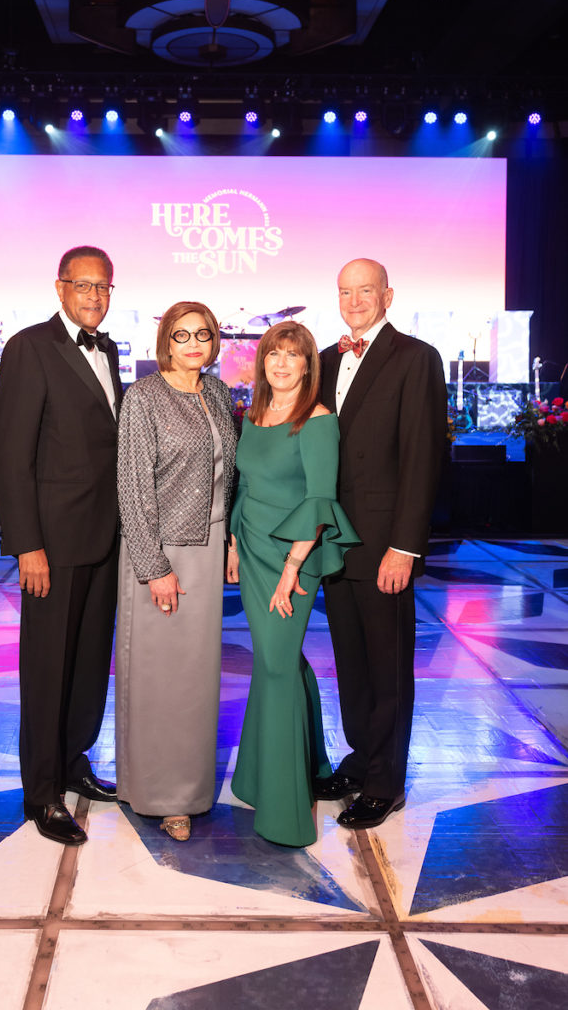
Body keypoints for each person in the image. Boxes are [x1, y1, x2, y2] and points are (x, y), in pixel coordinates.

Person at [0, 245, 123, 845]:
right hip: (51, 543)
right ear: (60, 287)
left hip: (104, 537)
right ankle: (42, 792)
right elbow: (12, 456)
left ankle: (74, 763)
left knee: (90, 662)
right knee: (46, 669)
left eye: (103, 287)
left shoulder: (111, 350)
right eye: (84, 285)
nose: (94, 296)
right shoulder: (29, 347)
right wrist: (27, 545)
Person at [317, 258, 447, 828]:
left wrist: (406, 546)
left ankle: (385, 780)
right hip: (335, 540)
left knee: (388, 664)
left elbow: (424, 459)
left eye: (365, 290)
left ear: (387, 295)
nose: (354, 300)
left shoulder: (417, 357)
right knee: (350, 660)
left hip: (384, 544)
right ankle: (361, 755)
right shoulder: (323, 360)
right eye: (346, 291)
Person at [227, 321, 360, 847]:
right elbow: (245, 484)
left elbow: (320, 501)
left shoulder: (319, 420)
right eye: (273, 354)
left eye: (292, 356)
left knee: (279, 665)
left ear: (309, 365)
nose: (280, 364)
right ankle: (270, 776)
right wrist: (235, 544)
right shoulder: (254, 415)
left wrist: (290, 571)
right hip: (253, 548)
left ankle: (285, 811)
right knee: (274, 661)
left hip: (292, 559)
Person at [115, 301, 237, 842]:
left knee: (196, 677)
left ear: (214, 342)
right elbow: (132, 489)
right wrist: (153, 566)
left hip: (209, 549)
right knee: (159, 678)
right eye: (182, 335)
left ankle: (190, 787)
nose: (193, 344)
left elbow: (227, 477)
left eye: (203, 335)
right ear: (166, 340)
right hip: (161, 553)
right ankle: (162, 796)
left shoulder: (216, 392)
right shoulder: (142, 398)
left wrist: (230, 536)